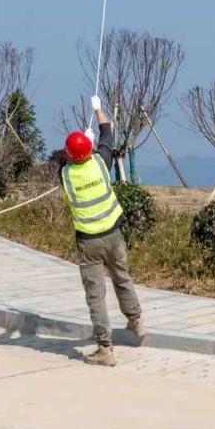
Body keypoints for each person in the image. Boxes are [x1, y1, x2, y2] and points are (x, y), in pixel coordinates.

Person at [59, 99, 146, 365]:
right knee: (122, 277)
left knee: (95, 294)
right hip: (113, 234)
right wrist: (97, 110)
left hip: (89, 242)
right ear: (90, 150)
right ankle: (136, 321)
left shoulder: (66, 175)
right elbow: (107, 131)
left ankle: (105, 349)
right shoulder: (100, 162)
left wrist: (84, 144)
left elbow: (68, 161)